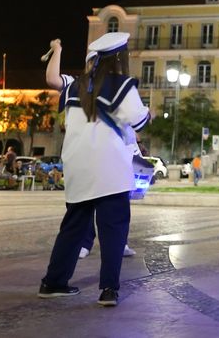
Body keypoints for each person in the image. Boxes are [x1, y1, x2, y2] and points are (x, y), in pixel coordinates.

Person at [38, 33, 151, 307]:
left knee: (73, 229)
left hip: (78, 168)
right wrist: (150, 113)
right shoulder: (122, 86)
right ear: (119, 59)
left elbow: (52, 79)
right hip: (110, 169)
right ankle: (108, 290)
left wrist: (56, 50)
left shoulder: (76, 85)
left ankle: (53, 283)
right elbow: (140, 123)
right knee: (113, 230)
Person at [44, 45, 137, 261]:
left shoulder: (112, 86)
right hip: (97, 158)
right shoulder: (80, 84)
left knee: (97, 206)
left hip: (100, 157)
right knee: (98, 206)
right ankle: (93, 245)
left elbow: (126, 122)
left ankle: (112, 244)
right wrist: (58, 50)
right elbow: (52, 79)